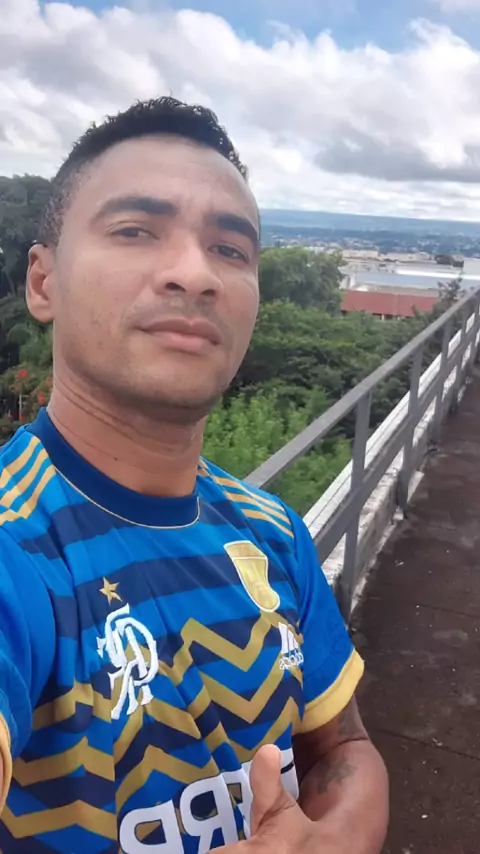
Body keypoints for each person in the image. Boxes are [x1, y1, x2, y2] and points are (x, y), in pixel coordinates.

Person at [0, 97, 388, 853]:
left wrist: (334, 839)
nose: (195, 273)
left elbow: (342, 748)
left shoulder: (272, 533)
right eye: (135, 230)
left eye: (231, 249)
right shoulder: (18, 547)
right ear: (42, 282)